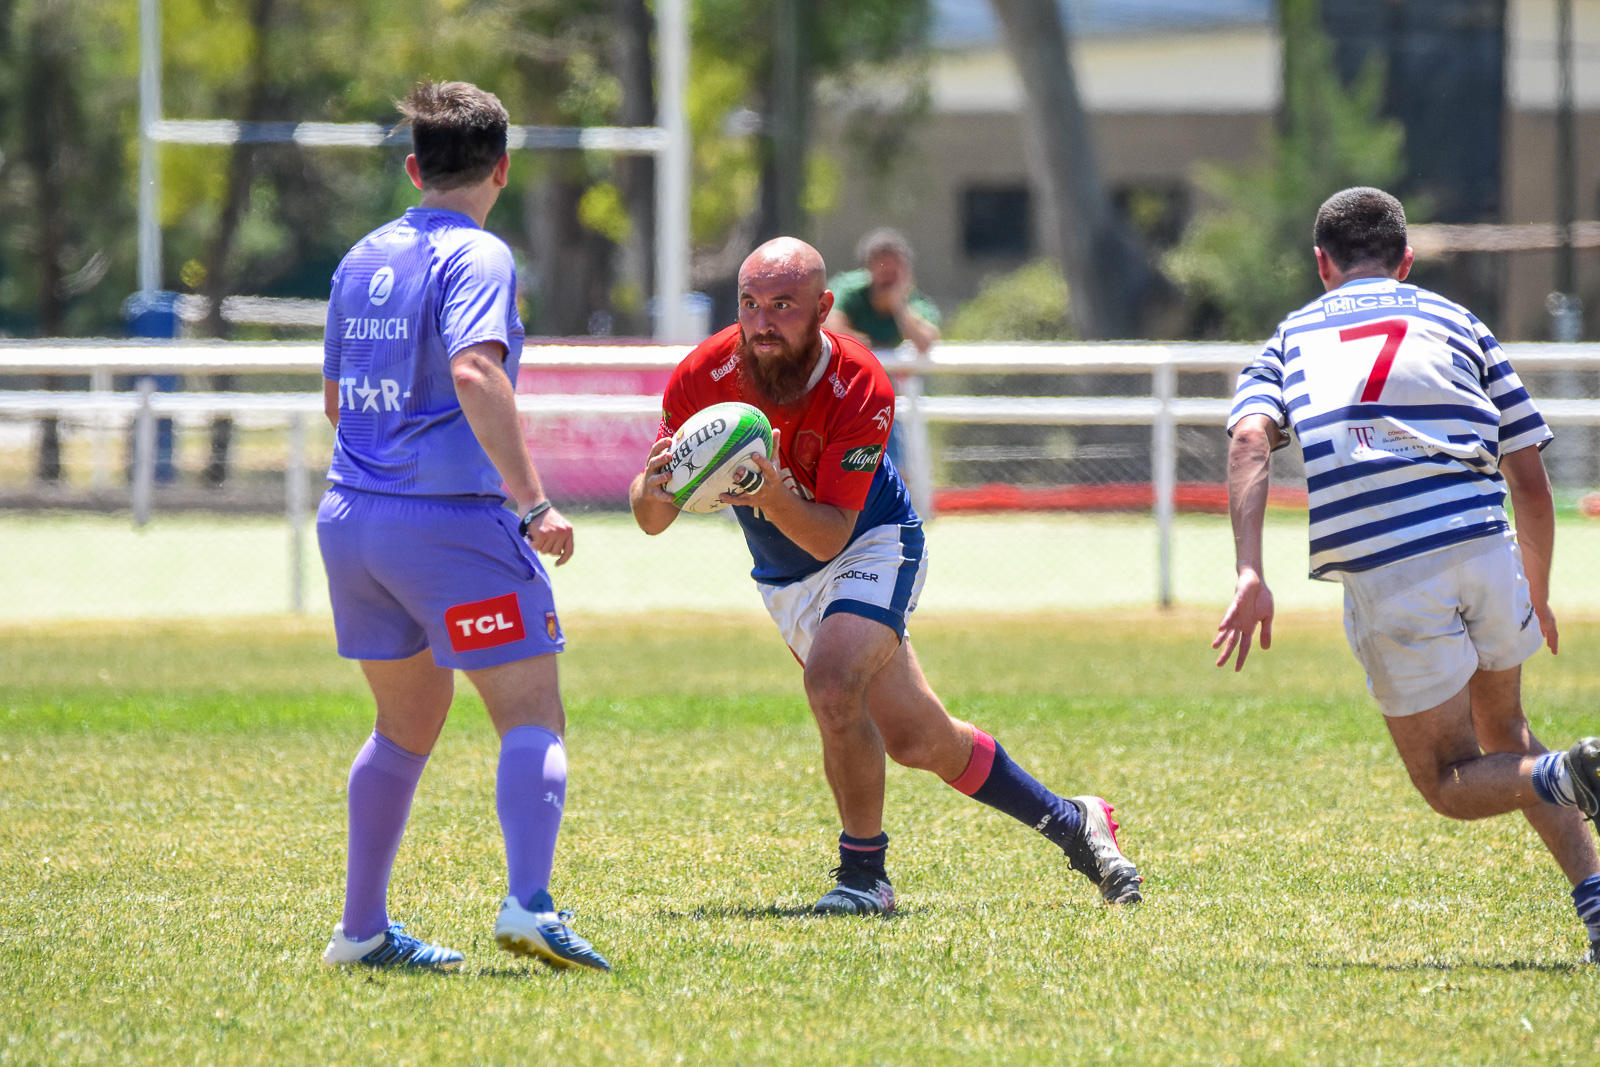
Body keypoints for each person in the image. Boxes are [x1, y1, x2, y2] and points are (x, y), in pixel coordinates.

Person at [629, 237, 1141, 915]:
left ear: (823, 308)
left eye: (783, 306)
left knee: (833, 682)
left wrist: (767, 490)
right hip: (787, 576)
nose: (761, 323)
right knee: (918, 738)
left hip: (871, 542)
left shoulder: (860, 382)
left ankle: (863, 877)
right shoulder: (703, 374)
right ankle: (1075, 822)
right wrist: (657, 483)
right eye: (749, 304)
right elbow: (652, 517)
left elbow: (832, 531)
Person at [1215, 186, 1600, 961]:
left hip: (1391, 564)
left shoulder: (1292, 336)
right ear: (1408, 261)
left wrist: (1250, 569)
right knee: (1508, 733)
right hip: (1485, 540)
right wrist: (1538, 590)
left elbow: (1250, 442)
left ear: (1322, 264)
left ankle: (1578, 772)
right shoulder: (1460, 322)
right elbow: (1529, 478)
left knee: (1450, 779)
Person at [316, 81, 609, 972]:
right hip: (447, 526)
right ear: (502, 169)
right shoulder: (477, 254)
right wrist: (533, 503)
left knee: (404, 725)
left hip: (350, 519)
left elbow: (334, 402)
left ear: (414, 167)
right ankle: (529, 905)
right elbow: (478, 373)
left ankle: (360, 929)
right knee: (533, 715)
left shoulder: (363, 256)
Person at [824, 227, 941, 355]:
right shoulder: (851, 290)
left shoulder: (916, 301)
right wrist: (861, 344)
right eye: (883, 268)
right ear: (869, 269)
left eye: (894, 271)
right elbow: (830, 329)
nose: (888, 277)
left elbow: (925, 343)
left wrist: (899, 306)